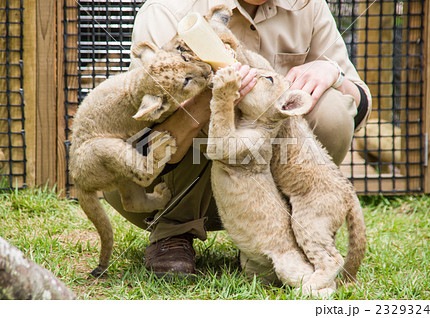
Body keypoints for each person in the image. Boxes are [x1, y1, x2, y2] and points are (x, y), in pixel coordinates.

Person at [103, 0, 371, 278]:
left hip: (269, 188)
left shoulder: (309, 6)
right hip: (163, 186)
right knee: (211, 123)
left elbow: (360, 103)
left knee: (333, 110)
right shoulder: (167, 10)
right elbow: (142, 145)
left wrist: (332, 73)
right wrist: (213, 97)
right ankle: (172, 233)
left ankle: (283, 232)